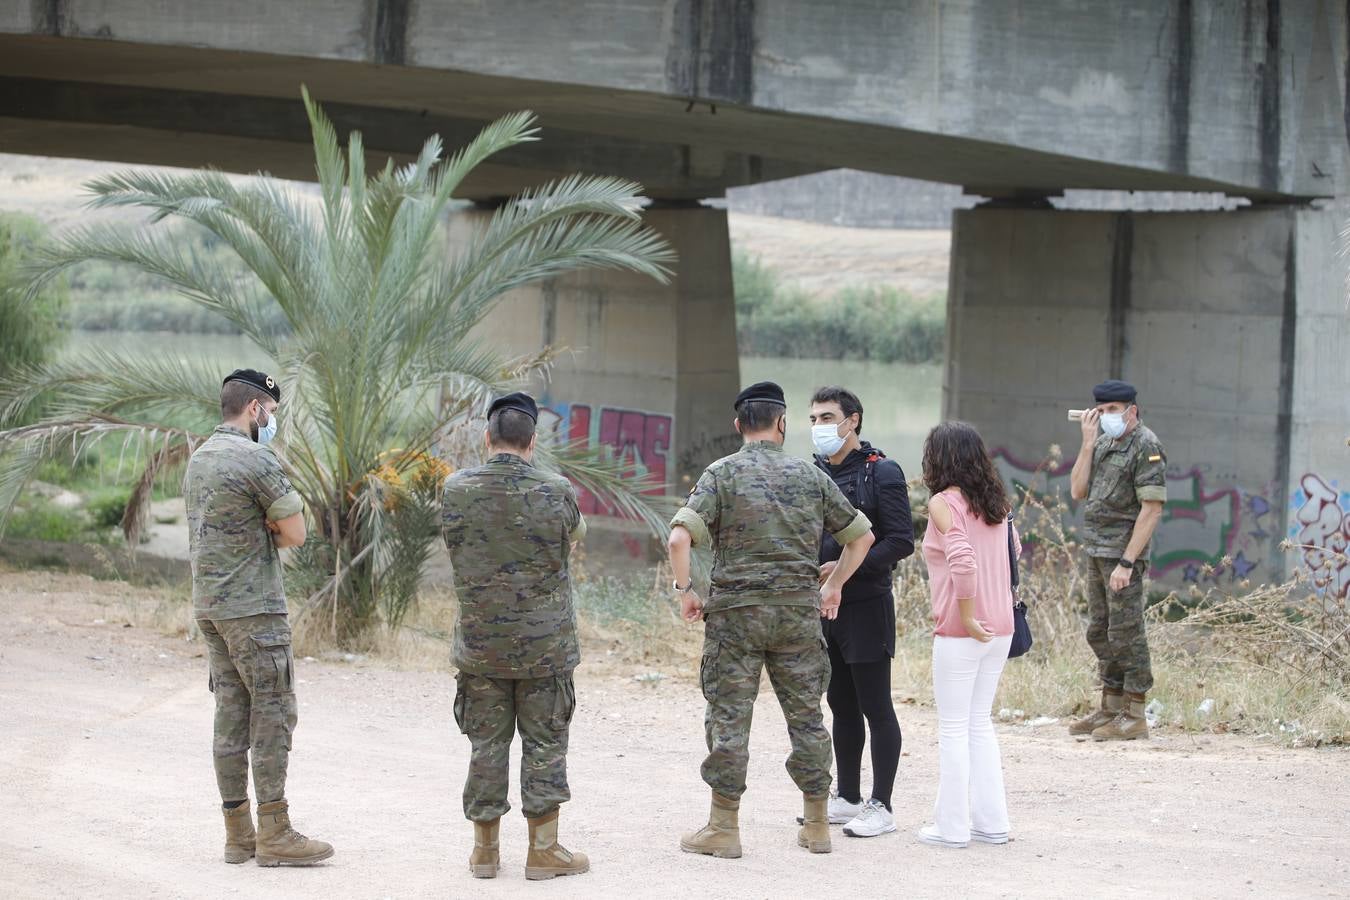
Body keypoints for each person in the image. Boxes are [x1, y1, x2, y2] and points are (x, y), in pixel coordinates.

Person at [667, 381, 875, 859]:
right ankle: (818, 825)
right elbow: (860, 538)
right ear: (782, 424)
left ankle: (723, 828)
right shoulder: (811, 476)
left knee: (729, 719)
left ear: (740, 425)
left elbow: (680, 539)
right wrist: (834, 584)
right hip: (797, 618)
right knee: (807, 719)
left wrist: (686, 592)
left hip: (735, 620)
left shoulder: (720, 474)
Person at [185, 368, 333, 867]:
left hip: (211, 608)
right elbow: (295, 531)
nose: (271, 421)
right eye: (270, 412)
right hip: (255, 609)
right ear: (255, 409)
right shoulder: (256, 458)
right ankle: (275, 831)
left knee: (231, 715)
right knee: (273, 714)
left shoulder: (199, 458)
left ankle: (237, 834)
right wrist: (266, 528)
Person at [440, 391, 589, 881]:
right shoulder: (556, 488)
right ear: (533, 441)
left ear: (487, 438)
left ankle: (484, 853)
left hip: (481, 647)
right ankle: (543, 852)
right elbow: (574, 535)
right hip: (545, 648)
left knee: (486, 744)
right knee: (545, 744)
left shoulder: (456, 488)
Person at [808, 387, 914, 838]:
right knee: (839, 704)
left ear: (852, 421)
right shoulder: (812, 472)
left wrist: (846, 569)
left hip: (867, 606)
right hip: (824, 609)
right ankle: (848, 798)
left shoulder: (882, 471)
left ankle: (882, 805)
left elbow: (900, 541)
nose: (819, 427)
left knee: (876, 706)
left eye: (827, 417)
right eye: (813, 419)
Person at [916, 421, 1017, 849]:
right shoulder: (996, 504)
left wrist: (968, 615)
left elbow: (961, 560)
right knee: (979, 725)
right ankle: (991, 823)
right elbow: (1013, 557)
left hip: (963, 630)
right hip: (1003, 627)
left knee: (955, 728)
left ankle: (952, 828)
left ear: (938, 458)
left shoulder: (944, 503)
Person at [1067, 380, 1167, 741]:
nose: (1107, 417)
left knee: (1126, 632)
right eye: (1102, 410)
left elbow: (1152, 510)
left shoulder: (1146, 445)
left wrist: (1127, 562)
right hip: (1096, 550)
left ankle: (1134, 712)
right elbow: (1078, 490)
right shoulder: (1104, 442)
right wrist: (1088, 442)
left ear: (1132, 411)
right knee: (1099, 629)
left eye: (1113, 411)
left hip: (1122, 555)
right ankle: (1109, 706)